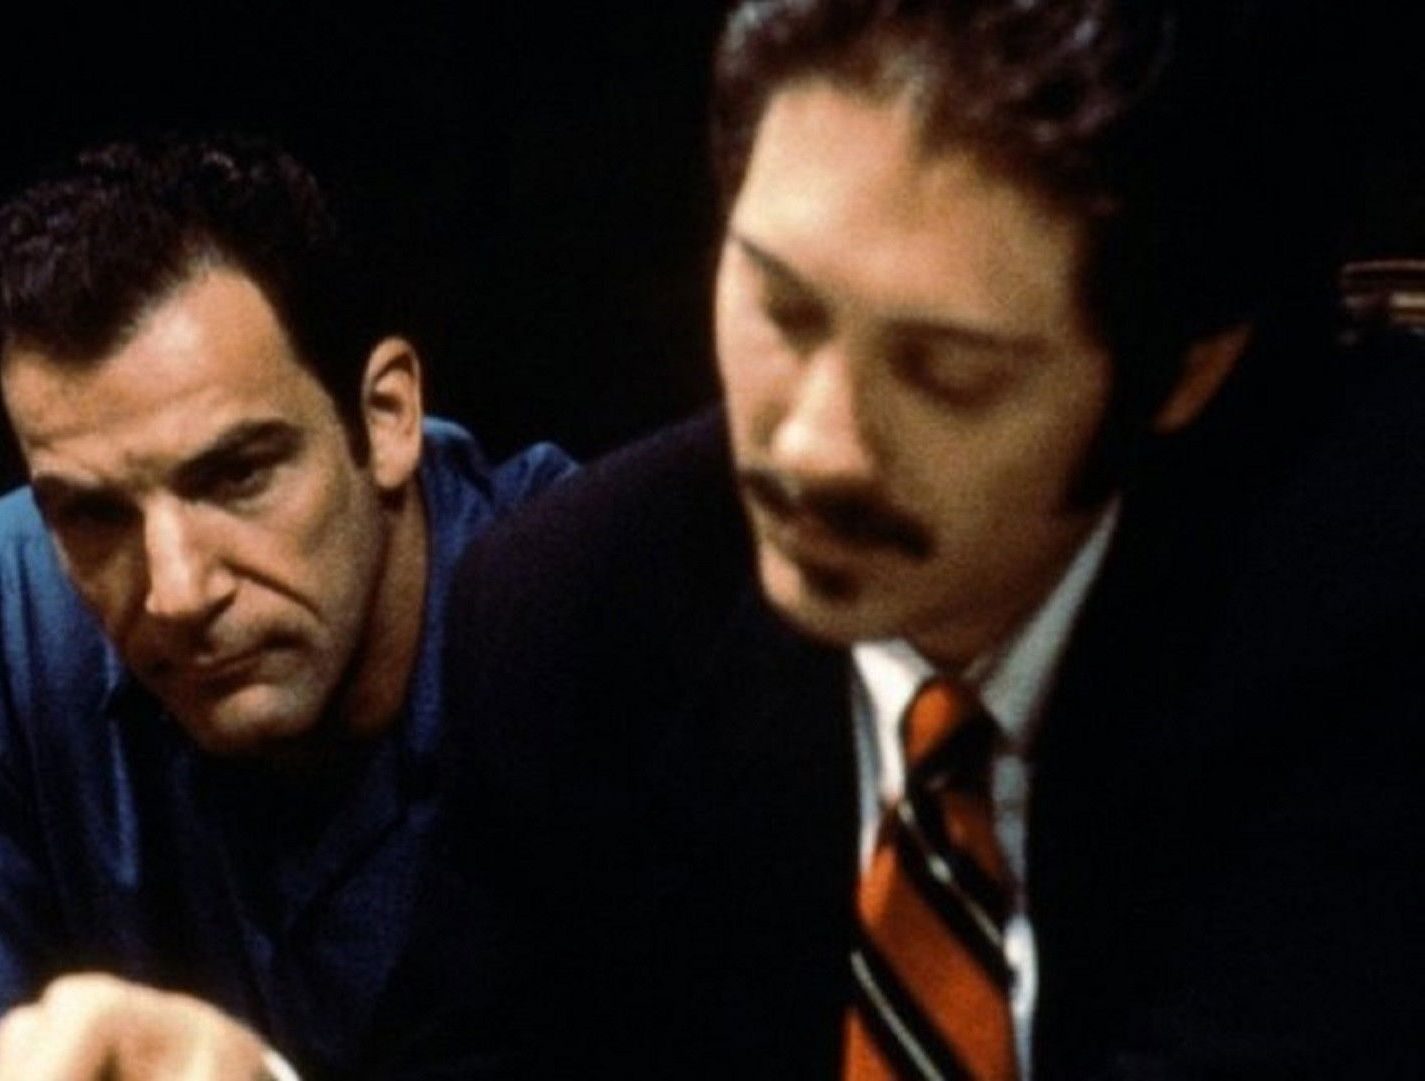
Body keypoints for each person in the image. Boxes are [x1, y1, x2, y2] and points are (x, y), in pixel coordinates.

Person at [412, 0, 1424, 1077]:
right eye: (782, 307)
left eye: (949, 371)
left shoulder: (1373, 592)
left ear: (1184, 370)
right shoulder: (567, 614)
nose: (812, 447)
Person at [0, 135, 574, 1080]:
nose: (176, 593)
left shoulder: (594, 617)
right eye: (93, 515)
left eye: (237, 476)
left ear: (386, 417)